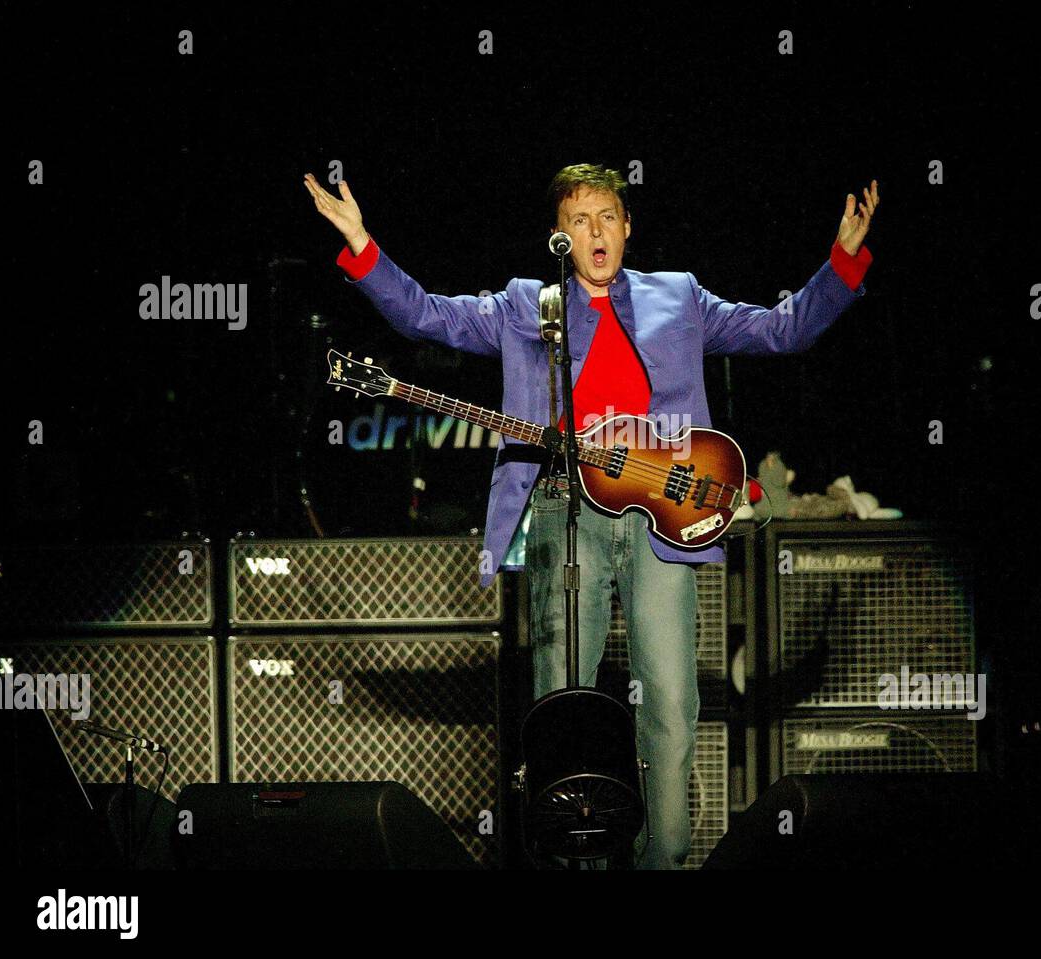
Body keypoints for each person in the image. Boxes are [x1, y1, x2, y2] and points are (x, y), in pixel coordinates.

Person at [304, 163, 878, 868]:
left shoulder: (679, 296)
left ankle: (661, 861)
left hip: (660, 514)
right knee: (558, 701)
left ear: (628, 226)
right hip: (561, 511)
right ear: (560, 235)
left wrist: (842, 263)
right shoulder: (528, 306)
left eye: (608, 216)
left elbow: (781, 331)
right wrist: (363, 245)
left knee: (668, 701)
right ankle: (568, 860)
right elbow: (429, 314)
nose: (596, 231)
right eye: (579, 220)